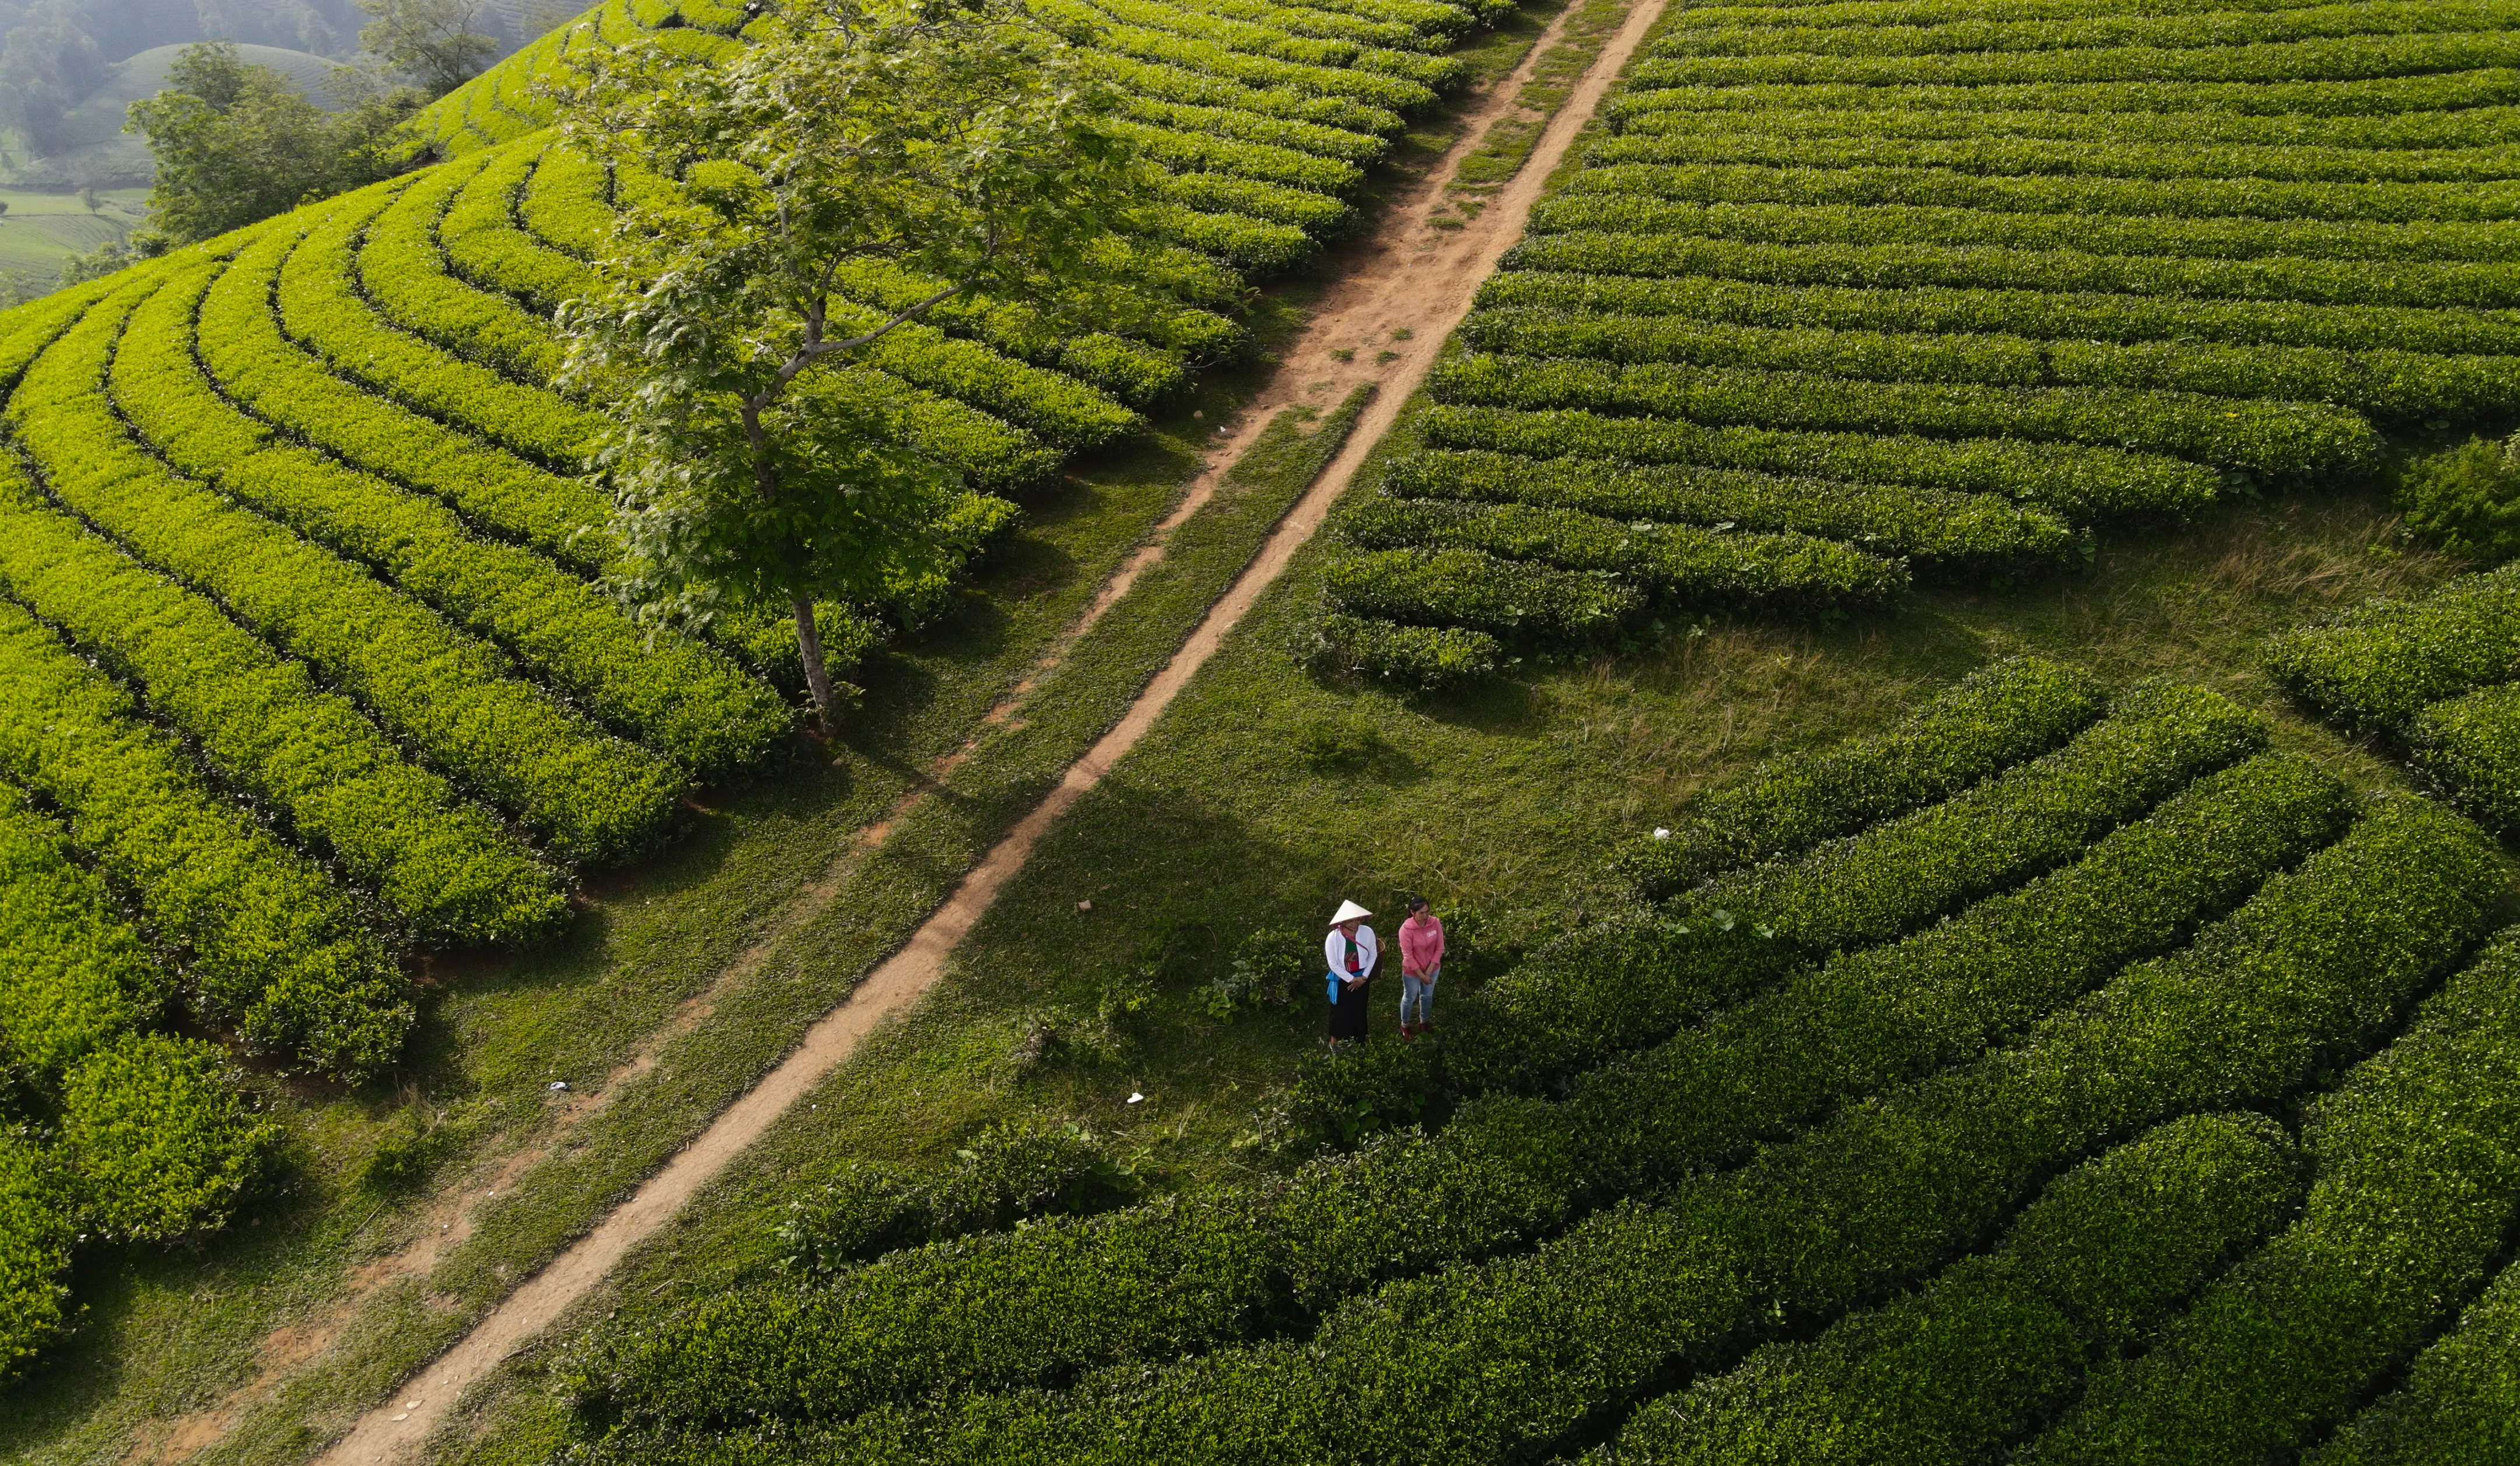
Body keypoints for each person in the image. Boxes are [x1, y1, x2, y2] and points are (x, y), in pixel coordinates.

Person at [1324, 899, 1378, 1048]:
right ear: (1342, 922)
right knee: (1341, 1012)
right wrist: (1351, 979)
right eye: (1351, 920)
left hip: (1362, 978)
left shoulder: (1367, 932)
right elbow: (1333, 964)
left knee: (1360, 1010)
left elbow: (1373, 954)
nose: (1355, 923)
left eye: (1358, 919)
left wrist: (1363, 978)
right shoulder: (1333, 938)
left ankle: (1360, 1041)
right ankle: (1338, 1043)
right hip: (1343, 980)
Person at [1397, 896, 1444, 1039]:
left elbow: (1440, 947)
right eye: (1421, 913)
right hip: (1412, 972)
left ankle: (1424, 1022)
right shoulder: (1406, 929)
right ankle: (1405, 1024)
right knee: (1410, 997)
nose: (1425, 916)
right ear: (1412, 912)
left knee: (1427, 996)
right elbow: (1408, 956)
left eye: (1427, 912)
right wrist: (1421, 975)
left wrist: (1428, 972)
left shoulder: (1435, 923)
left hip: (1432, 969)